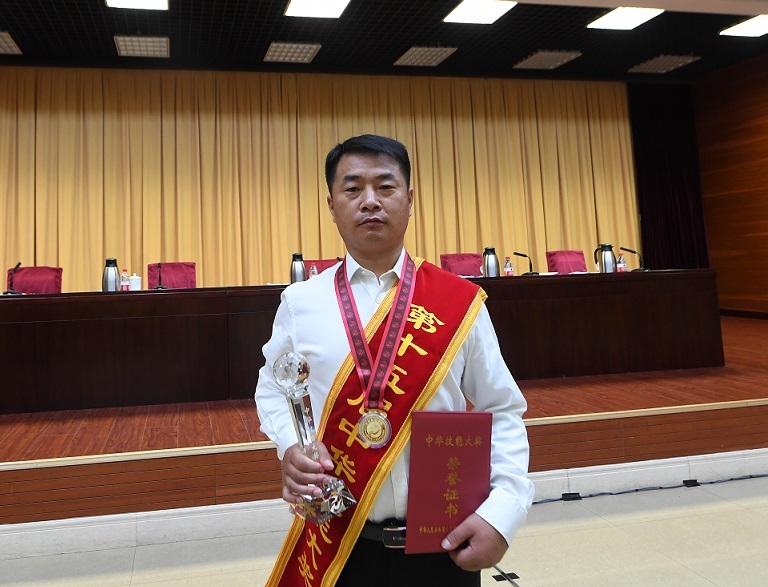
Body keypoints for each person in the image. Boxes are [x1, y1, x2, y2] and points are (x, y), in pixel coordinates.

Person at [255, 134, 534, 586]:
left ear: (410, 199)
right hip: (340, 541)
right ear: (331, 205)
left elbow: (502, 408)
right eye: (352, 188)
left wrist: (502, 512)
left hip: (443, 543)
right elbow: (272, 386)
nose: (370, 201)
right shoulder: (300, 302)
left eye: (385, 187)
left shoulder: (458, 301)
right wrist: (291, 445)